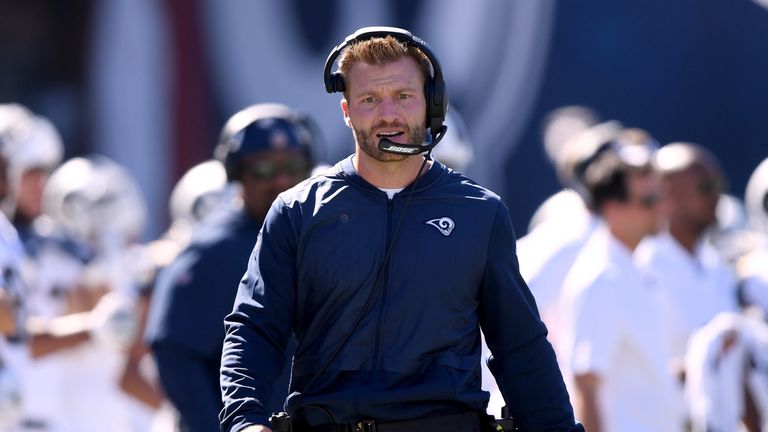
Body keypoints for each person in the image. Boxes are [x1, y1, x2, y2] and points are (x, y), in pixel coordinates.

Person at [219, 26, 580, 432]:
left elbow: (521, 349)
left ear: (431, 104)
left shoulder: (480, 212)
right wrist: (245, 421)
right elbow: (255, 328)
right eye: (369, 99)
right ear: (346, 111)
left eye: (403, 96)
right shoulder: (296, 211)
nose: (388, 114)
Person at [145, 103, 317, 432]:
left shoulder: (316, 234)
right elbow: (174, 353)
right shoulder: (214, 250)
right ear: (236, 172)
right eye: (264, 169)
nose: (281, 179)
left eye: (293, 165)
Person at [558, 139, 685, 432]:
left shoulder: (634, 268)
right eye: (649, 201)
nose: (662, 209)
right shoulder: (602, 279)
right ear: (613, 208)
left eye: (660, 197)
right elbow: (586, 385)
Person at [635, 142, 738, 371]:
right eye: (705, 187)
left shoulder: (716, 264)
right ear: (667, 194)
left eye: (718, 185)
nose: (716, 196)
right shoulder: (643, 267)